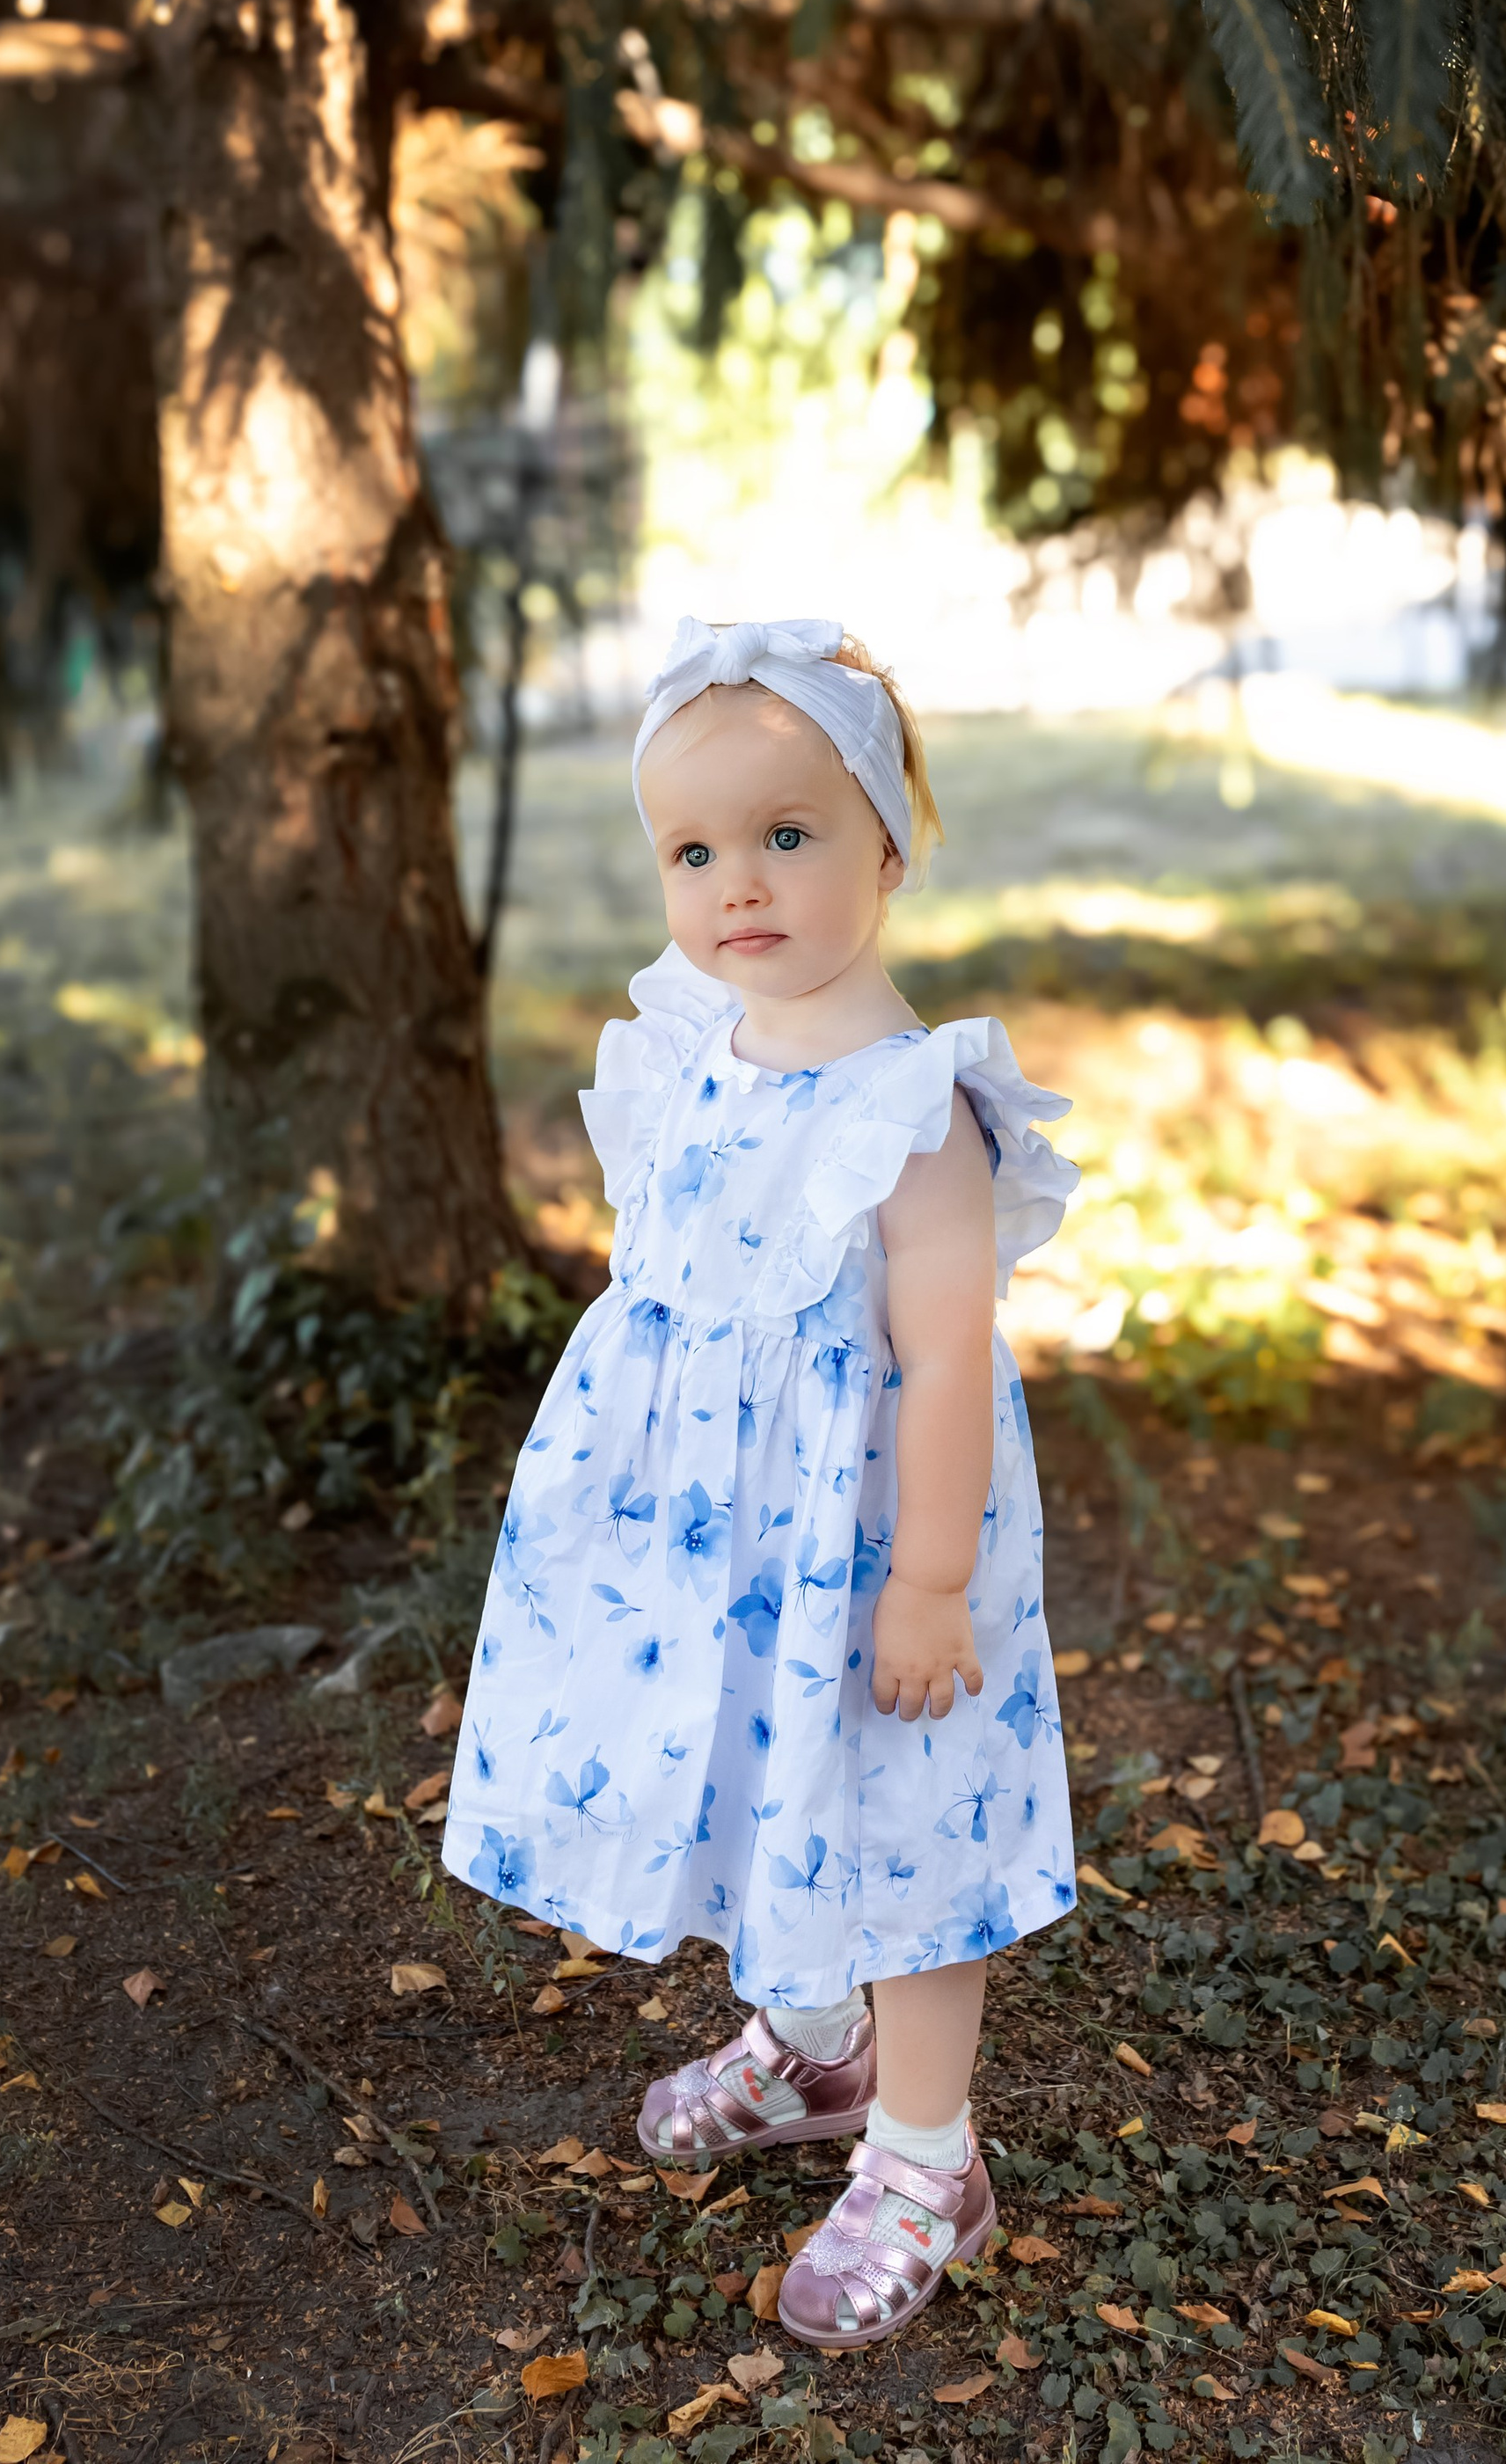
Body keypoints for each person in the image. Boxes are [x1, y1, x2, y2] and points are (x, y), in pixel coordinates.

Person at [441, 615, 1078, 2351]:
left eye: (786, 836)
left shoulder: (915, 1106)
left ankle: (926, 2154)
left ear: (885, 844)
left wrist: (929, 1580)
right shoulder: (692, 1052)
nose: (739, 885)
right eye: (694, 850)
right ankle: (812, 2047)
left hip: (873, 1540)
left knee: (901, 1819)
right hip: (721, 1545)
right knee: (760, 1781)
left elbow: (945, 1352)